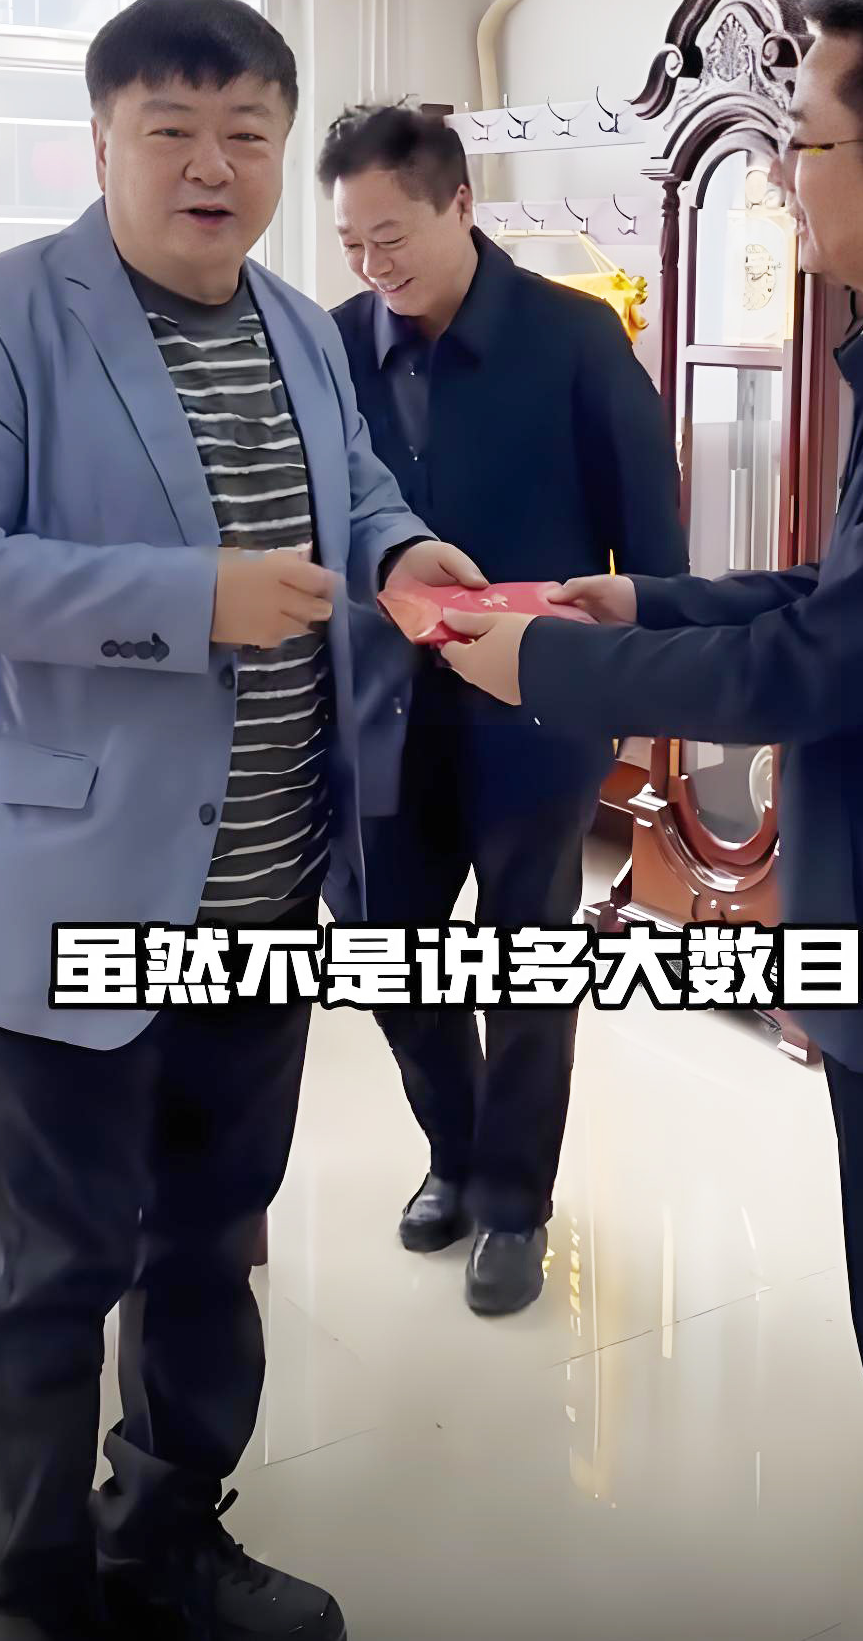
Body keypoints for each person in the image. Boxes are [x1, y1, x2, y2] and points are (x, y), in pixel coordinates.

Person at [440, 0, 863, 1637]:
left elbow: (816, 668)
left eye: (802, 140)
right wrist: (638, 603)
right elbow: (835, 594)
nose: (787, 172)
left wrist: (541, 668)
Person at [0, 0, 483, 1641]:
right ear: (101, 142)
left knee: (212, 1240)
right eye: (174, 132)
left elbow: (351, 490)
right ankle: (36, 1593)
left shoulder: (297, 322)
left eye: (247, 134)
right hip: (72, 892)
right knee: (54, 1262)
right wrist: (186, 598)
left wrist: (401, 551)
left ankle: (169, 1532)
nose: (214, 167)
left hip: (265, 891)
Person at [317, 105, 687, 1316]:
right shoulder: (330, 349)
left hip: (536, 711)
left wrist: (635, 690)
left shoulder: (575, 336)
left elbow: (652, 535)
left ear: (460, 205)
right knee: (386, 952)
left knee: (527, 962)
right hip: (378, 710)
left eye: (391, 236)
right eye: (351, 243)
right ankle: (457, 1151)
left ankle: (515, 1202)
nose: (373, 265)